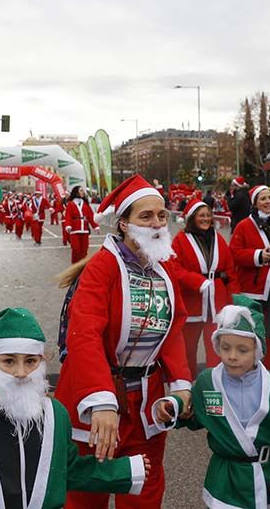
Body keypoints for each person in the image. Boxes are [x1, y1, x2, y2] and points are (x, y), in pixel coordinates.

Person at [0, 307, 148, 508]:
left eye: (30, 361)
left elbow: (67, 469)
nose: (20, 373)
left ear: (41, 362)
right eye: (9, 361)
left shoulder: (56, 416)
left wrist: (127, 471)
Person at [55, 175, 192, 508]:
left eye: (162, 215)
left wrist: (180, 384)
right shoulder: (102, 267)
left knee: (144, 491)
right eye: (146, 216)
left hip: (146, 404)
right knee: (88, 492)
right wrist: (101, 402)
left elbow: (173, 328)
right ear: (124, 224)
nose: (158, 223)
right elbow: (83, 335)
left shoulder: (165, 266)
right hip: (98, 399)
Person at [155, 296, 270, 508]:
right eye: (225, 347)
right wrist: (172, 406)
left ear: (257, 350)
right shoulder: (208, 382)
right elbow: (191, 412)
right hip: (225, 483)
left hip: (268, 480)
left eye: (242, 350)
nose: (232, 356)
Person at [229, 185, 270, 375]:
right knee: (252, 334)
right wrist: (258, 256)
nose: (268, 202)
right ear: (255, 203)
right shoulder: (243, 226)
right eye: (263, 199)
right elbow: (234, 254)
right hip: (252, 290)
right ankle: (248, 373)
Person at [170, 198, 239, 377]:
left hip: (217, 302)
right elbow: (174, 268)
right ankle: (187, 385)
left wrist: (234, 300)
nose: (206, 219)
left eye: (208, 215)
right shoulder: (180, 239)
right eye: (201, 215)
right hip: (191, 302)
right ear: (192, 217)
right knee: (187, 348)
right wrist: (197, 281)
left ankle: (214, 385)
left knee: (216, 347)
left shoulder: (218, 238)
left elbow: (230, 271)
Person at [64, 186, 99, 265]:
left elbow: (90, 216)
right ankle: (75, 266)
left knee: (84, 250)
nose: (83, 192)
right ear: (76, 192)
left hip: (85, 230)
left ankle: (82, 267)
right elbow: (68, 216)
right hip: (74, 230)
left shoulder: (86, 204)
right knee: (76, 249)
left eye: (83, 190)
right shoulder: (70, 204)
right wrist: (68, 225)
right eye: (81, 190)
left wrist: (95, 226)